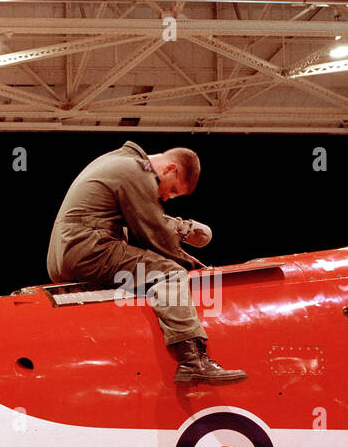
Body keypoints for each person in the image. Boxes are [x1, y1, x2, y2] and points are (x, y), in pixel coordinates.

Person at [47, 141, 246, 384]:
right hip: (89, 248)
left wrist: (180, 230)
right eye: (172, 190)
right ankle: (192, 360)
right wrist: (191, 265)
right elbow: (154, 233)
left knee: (143, 273)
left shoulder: (117, 162)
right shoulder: (137, 171)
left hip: (67, 253)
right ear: (170, 169)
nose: (166, 197)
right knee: (170, 272)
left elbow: (142, 220)